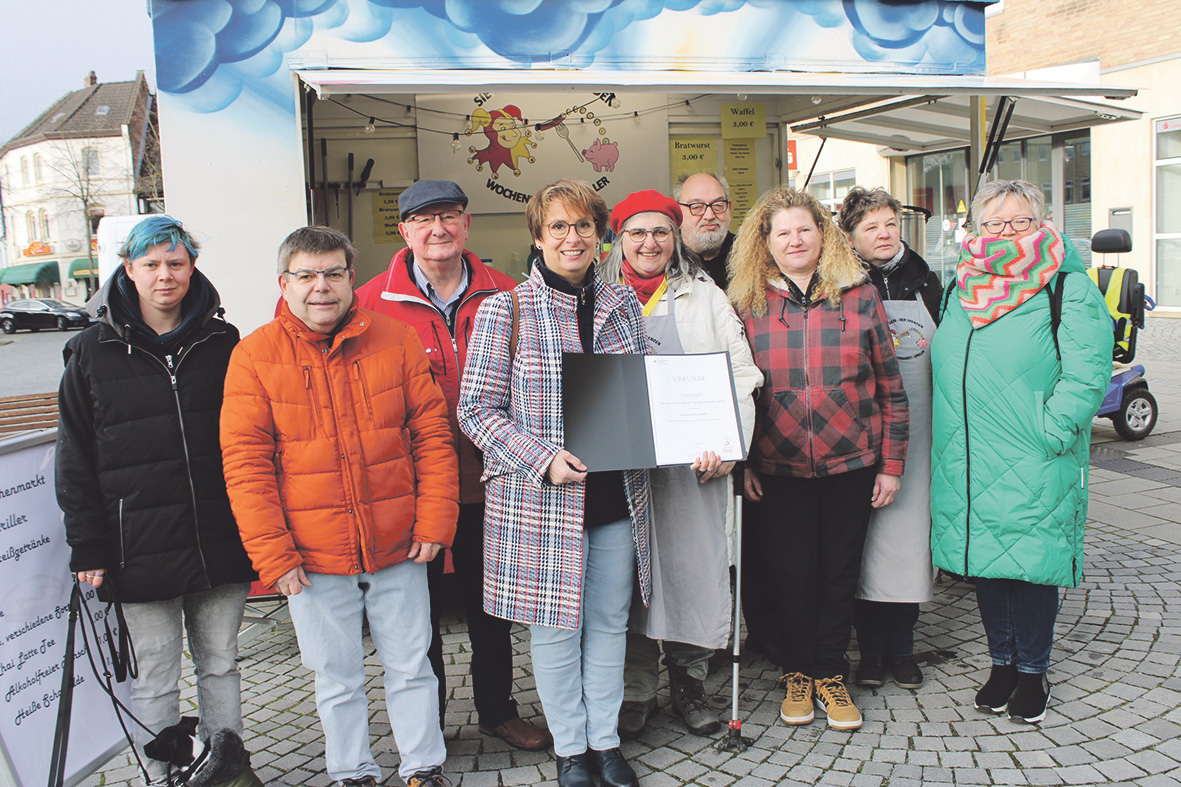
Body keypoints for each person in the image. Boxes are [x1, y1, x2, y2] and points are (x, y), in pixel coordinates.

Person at [220, 227, 457, 787]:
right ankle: (352, 771)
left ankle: (423, 767)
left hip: (399, 540)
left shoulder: (395, 340)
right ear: (285, 283)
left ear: (352, 279)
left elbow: (432, 437)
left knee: (411, 666)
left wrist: (436, 520)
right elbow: (246, 465)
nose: (320, 287)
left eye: (332, 273)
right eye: (306, 275)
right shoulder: (254, 356)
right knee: (336, 675)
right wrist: (273, 555)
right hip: (311, 552)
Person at [458, 179, 649, 787]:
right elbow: (476, 411)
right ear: (538, 238)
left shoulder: (623, 306)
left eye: (584, 226)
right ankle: (570, 747)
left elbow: (641, 398)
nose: (573, 237)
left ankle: (606, 741)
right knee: (555, 626)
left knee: (609, 623)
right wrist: (541, 458)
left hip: (616, 493)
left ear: (600, 235)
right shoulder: (505, 309)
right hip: (543, 498)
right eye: (559, 228)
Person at [56, 215, 256, 786]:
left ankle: (227, 772)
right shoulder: (90, 352)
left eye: (176, 263)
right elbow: (75, 460)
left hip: (220, 535)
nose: (165, 275)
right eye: (151, 264)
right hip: (134, 545)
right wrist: (87, 546)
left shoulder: (223, 342)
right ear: (129, 270)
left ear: (191, 267)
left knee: (221, 665)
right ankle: (166, 775)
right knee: (155, 677)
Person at [355, 180, 550, 751]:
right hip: (410, 487)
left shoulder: (509, 294)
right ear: (405, 230)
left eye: (449, 217)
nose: (437, 229)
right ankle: (428, 725)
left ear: (467, 226)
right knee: (419, 612)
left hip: (494, 481)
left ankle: (496, 708)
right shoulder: (370, 303)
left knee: (491, 604)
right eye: (423, 220)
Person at [930, 179, 1112, 724]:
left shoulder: (1067, 285)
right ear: (977, 228)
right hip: (970, 451)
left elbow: (1088, 374)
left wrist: (1052, 431)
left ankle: (1033, 671)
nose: (1006, 232)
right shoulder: (960, 284)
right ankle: (1002, 664)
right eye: (994, 223)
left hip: (1033, 450)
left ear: (1041, 223)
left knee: (1030, 564)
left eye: (1019, 222)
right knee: (989, 562)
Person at [729, 186, 908, 732]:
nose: (794, 240)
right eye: (782, 232)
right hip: (777, 468)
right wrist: (745, 464)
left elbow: (890, 389)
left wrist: (892, 465)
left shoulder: (857, 295)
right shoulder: (747, 303)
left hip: (849, 464)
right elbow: (734, 393)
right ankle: (798, 673)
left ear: (823, 234)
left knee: (838, 573)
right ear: (766, 242)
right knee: (790, 575)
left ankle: (832, 672)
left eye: (804, 229)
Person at [597, 190, 760, 739]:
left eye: (661, 232)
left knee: (692, 574)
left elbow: (741, 374)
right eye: (638, 232)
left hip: (696, 466)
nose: (650, 243)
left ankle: (689, 684)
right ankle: (637, 690)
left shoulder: (704, 294)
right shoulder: (596, 295)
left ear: (676, 237)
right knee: (631, 580)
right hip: (623, 469)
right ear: (619, 238)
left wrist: (727, 445)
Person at [838, 187, 942, 691]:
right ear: (851, 237)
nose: (884, 234)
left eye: (890, 224)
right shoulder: (840, 285)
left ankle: (902, 644)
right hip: (860, 429)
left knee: (907, 540)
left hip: (917, 432)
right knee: (862, 542)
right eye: (871, 227)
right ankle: (870, 650)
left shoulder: (926, 281)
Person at [675, 172, 735, 289]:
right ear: (678, 213)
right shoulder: (666, 259)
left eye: (718, 205)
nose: (709, 215)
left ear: (729, 209)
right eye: (696, 207)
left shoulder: (751, 255)